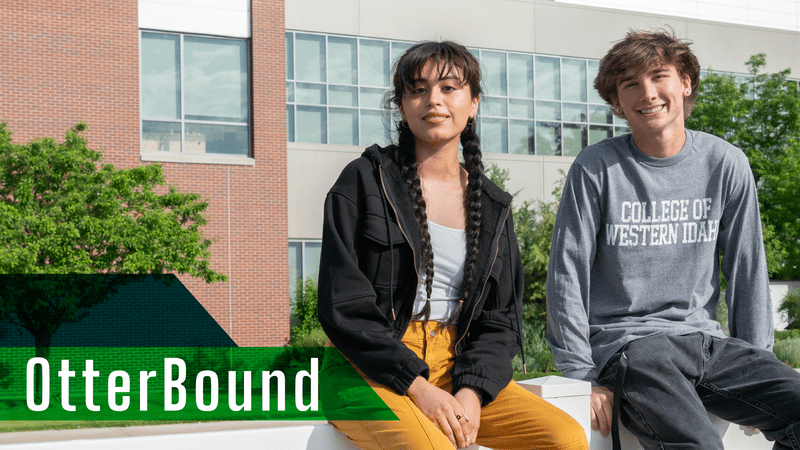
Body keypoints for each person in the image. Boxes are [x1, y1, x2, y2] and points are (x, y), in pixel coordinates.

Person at [317, 40, 588, 450]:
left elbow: (500, 321)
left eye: (448, 88)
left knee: (565, 439)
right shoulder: (363, 183)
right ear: (402, 105)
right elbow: (343, 307)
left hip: (456, 365)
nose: (433, 101)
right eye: (418, 89)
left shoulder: (493, 206)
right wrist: (417, 385)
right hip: (366, 366)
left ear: (473, 103)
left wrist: (473, 391)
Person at [546, 28, 800, 450]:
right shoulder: (596, 167)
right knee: (698, 444)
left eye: (658, 76)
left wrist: (757, 360)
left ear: (685, 83)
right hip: (631, 348)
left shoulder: (725, 162)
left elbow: (747, 269)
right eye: (630, 85)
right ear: (616, 102)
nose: (647, 93)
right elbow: (566, 275)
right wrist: (579, 374)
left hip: (708, 346)